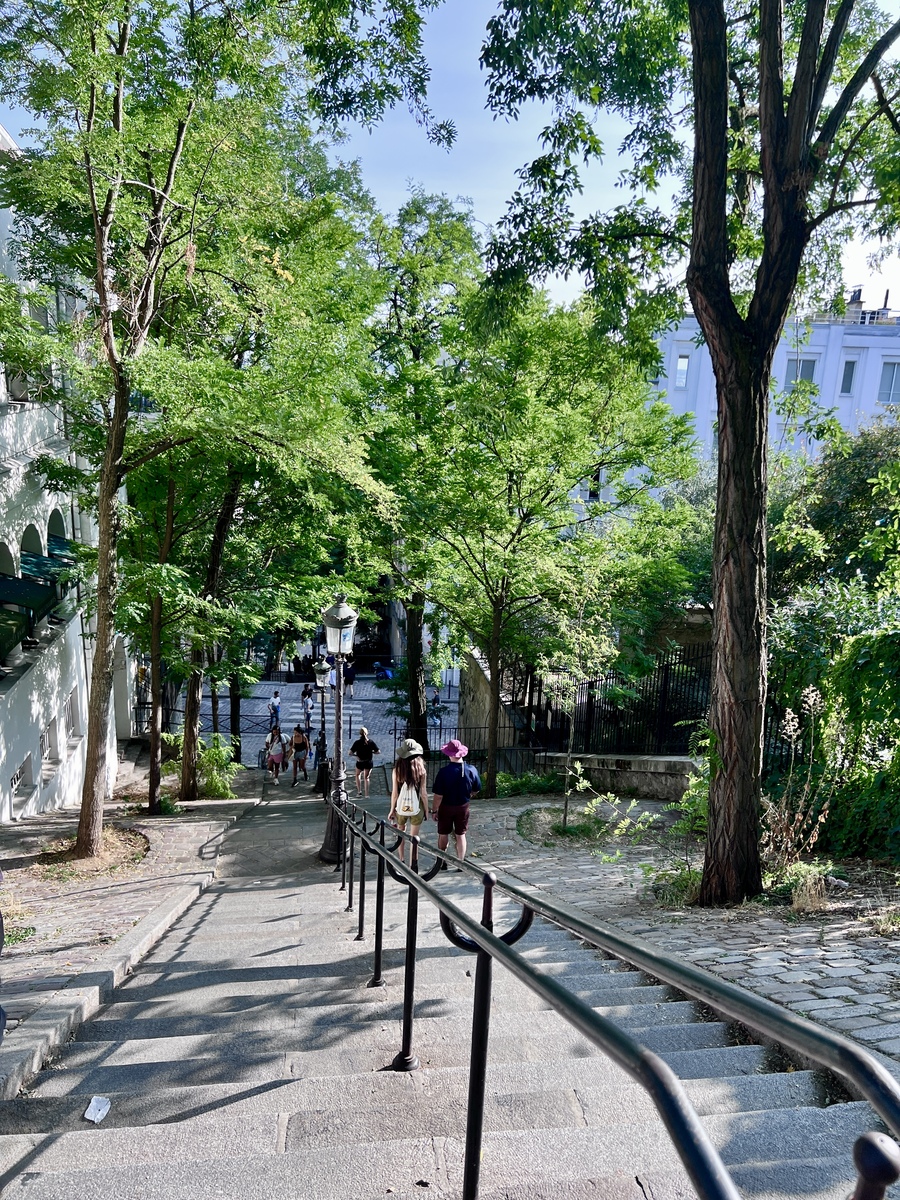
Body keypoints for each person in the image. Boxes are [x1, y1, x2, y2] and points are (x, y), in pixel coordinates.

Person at [432, 738, 481, 865]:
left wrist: (434, 810)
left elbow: (438, 795)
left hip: (446, 807)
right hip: (463, 806)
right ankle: (460, 862)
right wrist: (469, 795)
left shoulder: (443, 772)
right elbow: (476, 789)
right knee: (461, 834)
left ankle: (442, 862)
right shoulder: (472, 770)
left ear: (448, 754)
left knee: (443, 834)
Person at [389, 739, 428, 862]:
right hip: (417, 808)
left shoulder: (397, 770)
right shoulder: (421, 770)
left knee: (401, 834)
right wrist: (426, 810)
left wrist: (392, 810)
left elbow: (395, 793)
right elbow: (423, 793)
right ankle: (413, 863)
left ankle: (401, 859)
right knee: (414, 838)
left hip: (401, 807)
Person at [348, 726, 379, 798]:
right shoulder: (371, 742)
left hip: (360, 761)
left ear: (360, 734)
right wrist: (372, 752)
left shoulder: (357, 742)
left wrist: (356, 756)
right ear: (367, 733)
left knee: (357, 775)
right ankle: (367, 794)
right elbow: (378, 751)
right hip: (368, 762)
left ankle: (359, 792)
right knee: (366, 778)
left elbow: (350, 753)